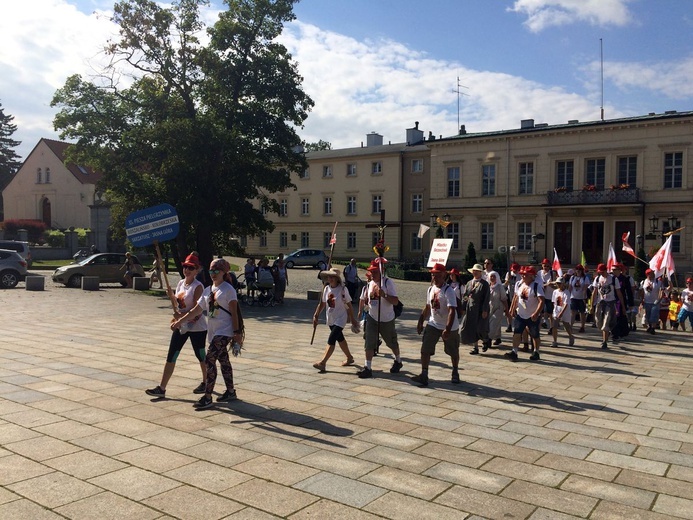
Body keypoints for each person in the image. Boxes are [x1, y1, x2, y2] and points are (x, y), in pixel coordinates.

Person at [172, 258, 243, 409]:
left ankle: (208, 396)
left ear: (225, 272)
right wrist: (180, 322)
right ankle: (231, 392)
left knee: (209, 359)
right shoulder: (208, 290)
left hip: (225, 331)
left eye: (217, 271)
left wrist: (236, 333)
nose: (213, 274)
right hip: (214, 331)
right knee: (223, 360)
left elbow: (234, 313)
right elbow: (196, 311)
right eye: (211, 271)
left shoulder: (228, 290)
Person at [146, 254, 207, 397]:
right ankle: (162, 388)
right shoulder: (180, 283)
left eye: (191, 268)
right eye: (185, 267)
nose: (187, 270)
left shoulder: (198, 287)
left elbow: (198, 311)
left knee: (201, 356)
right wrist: (171, 297)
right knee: (172, 355)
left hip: (197, 328)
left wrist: (181, 319)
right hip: (181, 327)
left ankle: (206, 382)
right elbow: (177, 306)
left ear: (197, 270)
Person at [412, 263, 460, 386]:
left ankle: (455, 371)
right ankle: (424, 374)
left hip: (450, 326)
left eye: (437, 275)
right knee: (425, 350)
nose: (435, 278)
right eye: (433, 275)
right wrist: (420, 321)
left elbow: (452, 310)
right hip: (433, 323)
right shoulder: (430, 289)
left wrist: (448, 329)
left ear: (444, 275)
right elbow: (428, 307)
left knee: (453, 351)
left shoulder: (449, 291)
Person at [357, 259, 403, 379]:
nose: (372, 274)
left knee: (391, 342)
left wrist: (384, 295)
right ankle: (368, 367)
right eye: (371, 271)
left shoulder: (388, 283)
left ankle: (398, 360)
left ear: (381, 271)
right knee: (369, 341)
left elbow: (395, 301)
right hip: (372, 317)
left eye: (375, 271)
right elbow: (367, 300)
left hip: (386, 318)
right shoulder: (370, 284)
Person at [312, 268, 357, 372]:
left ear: (337, 279)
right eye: (329, 276)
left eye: (332, 277)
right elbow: (322, 303)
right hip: (331, 318)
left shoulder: (343, 290)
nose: (330, 278)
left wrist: (353, 318)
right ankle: (349, 358)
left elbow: (349, 305)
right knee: (340, 339)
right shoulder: (327, 288)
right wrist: (316, 315)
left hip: (341, 318)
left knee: (331, 339)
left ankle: (323, 363)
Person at [506, 266, 544, 361]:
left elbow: (541, 301)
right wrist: (512, 308)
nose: (523, 276)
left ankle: (536, 351)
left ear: (531, 276)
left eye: (525, 274)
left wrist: (536, 313)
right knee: (517, 333)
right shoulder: (519, 284)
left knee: (534, 334)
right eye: (522, 274)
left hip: (532, 316)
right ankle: (514, 351)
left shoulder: (536, 286)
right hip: (521, 314)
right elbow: (516, 296)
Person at [590, 263, 626, 350]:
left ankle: (604, 341)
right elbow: (594, 292)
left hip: (610, 303)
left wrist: (623, 306)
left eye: (602, 272)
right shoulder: (597, 279)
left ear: (606, 270)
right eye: (600, 272)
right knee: (599, 322)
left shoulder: (613, 279)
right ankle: (606, 332)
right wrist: (591, 305)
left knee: (606, 322)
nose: (601, 273)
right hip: (600, 303)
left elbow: (619, 293)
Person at [462, 264, 491, 355]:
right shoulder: (469, 283)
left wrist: (485, 310)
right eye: (474, 271)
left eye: (477, 271)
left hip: (480, 309)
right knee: (471, 327)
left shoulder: (484, 284)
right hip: (470, 309)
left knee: (481, 327)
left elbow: (487, 298)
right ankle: (475, 347)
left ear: (480, 272)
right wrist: (463, 306)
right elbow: (465, 296)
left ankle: (485, 340)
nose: (475, 272)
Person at [551, 275, 575, 347]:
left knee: (566, 325)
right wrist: (555, 310)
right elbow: (553, 302)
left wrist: (561, 312)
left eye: (560, 283)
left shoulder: (566, 292)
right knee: (554, 326)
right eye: (557, 283)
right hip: (556, 310)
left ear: (563, 284)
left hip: (565, 311)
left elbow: (566, 304)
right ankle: (555, 341)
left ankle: (571, 335)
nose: (558, 285)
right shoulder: (555, 291)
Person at [487, 271, 508, 347]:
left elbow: (504, 299)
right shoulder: (488, 287)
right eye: (491, 276)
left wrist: (507, 310)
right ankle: (498, 337)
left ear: (497, 277)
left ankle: (488, 339)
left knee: (493, 323)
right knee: (496, 323)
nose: (492, 278)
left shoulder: (500, 287)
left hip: (499, 307)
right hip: (490, 307)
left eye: (494, 276)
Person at [639, 269, 662, 334]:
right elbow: (641, 292)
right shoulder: (643, 282)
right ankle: (650, 326)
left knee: (654, 315)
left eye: (653, 273)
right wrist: (641, 300)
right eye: (652, 273)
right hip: (647, 301)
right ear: (648, 274)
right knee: (648, 315)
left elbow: (661, 291)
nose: (653, 274)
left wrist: (659, 299)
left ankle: (653, 328)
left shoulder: (658, 282)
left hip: (655, 302)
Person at [537, 258, 557, 332]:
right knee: (540, 312)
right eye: (544, 266)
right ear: (542, 265)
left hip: (549, 295)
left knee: (550, 312)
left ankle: (551, 327)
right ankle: (540, 325)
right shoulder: (539, 273)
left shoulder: (552, 273)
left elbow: (555, 285)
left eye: (547, 266)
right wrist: (545, 284)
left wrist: (552, 285)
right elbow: (538, 284)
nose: (546, 268)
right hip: (541, 294)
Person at [569, 264, 590, 332]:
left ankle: (582, 327)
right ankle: (570, 326)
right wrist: (568, 296)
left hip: (581, 298)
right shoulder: (572, 277)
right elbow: (570, 287)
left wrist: (584, 298)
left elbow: (585, 288)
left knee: (582, 312)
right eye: (577, 269)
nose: (578, 271)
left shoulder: (585, 278)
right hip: (573, 297)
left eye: (580, 270)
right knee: (573, 312)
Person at [504, 263, 521, 332]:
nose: (514, 271)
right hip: (509, 293)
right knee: (508, 311)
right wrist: (508, 280)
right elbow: (506, 284)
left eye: (515, 270)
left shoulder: (520, 275)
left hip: (517, 294)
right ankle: (509, 325)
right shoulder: (509, 273)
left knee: (516, 311)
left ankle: (518, 325)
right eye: (513, 270)